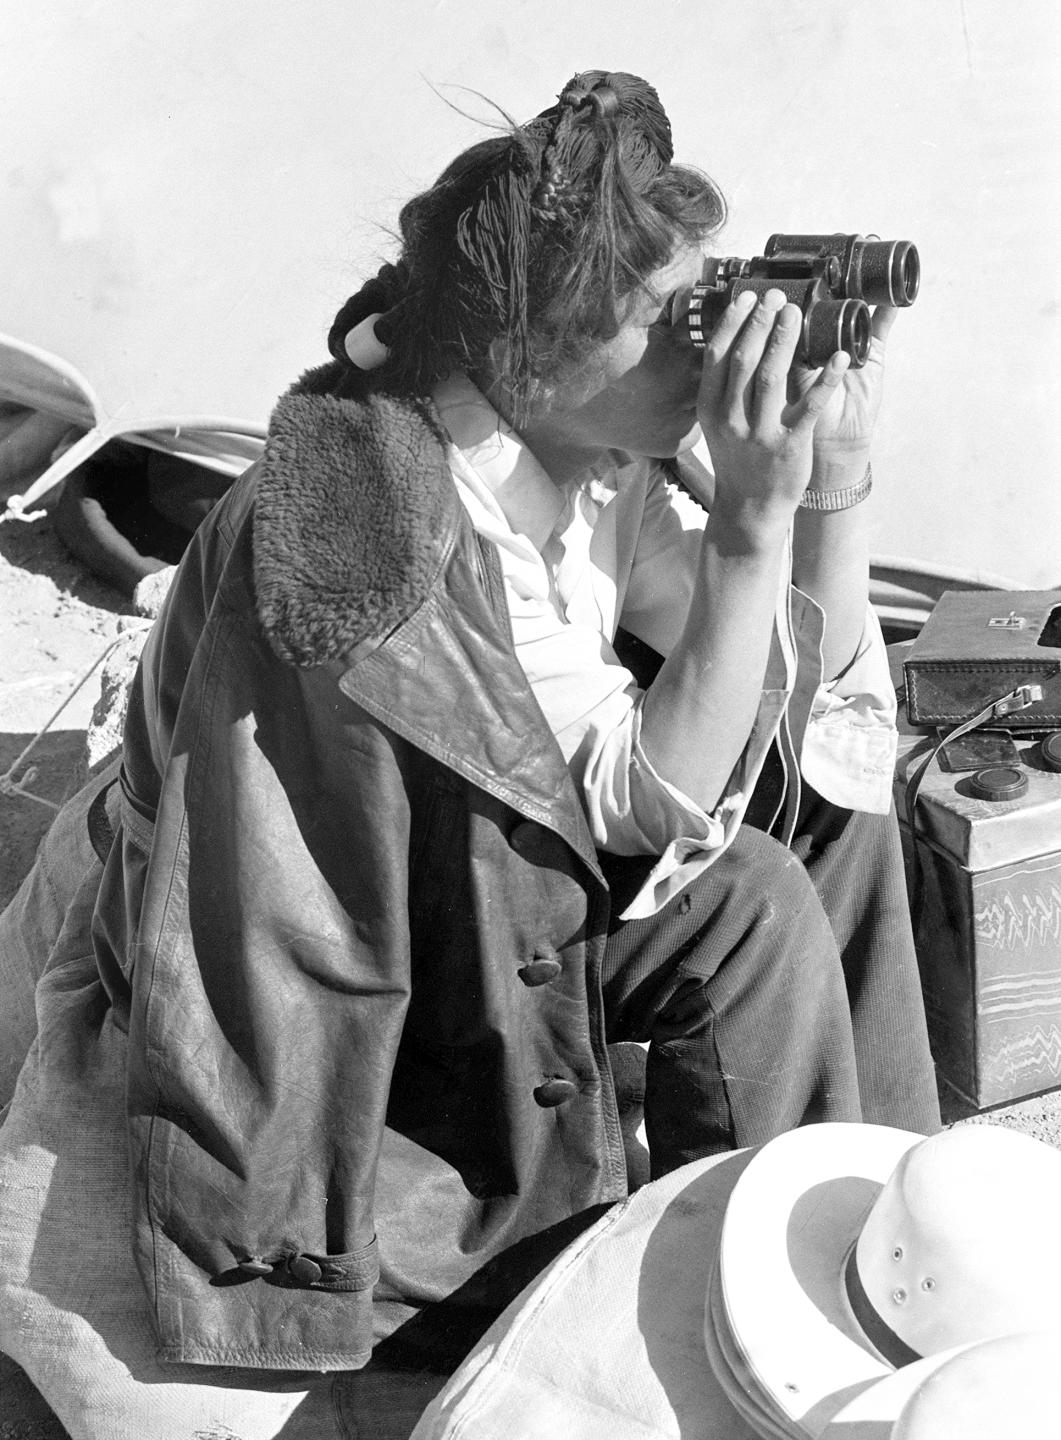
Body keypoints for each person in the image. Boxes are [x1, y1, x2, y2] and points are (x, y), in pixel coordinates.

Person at [0, 67, 939, 1433]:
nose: (707, 348)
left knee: (796, 865)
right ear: (531, 355)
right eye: (672, 321)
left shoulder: (578, 459)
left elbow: (790, 692)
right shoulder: (400, 537)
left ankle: (855, 1234)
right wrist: (751, 523)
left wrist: (826, 490)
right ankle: (748, 1304)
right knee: (748, 894)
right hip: (344, 949)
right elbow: (646, 796)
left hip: (473, 883)